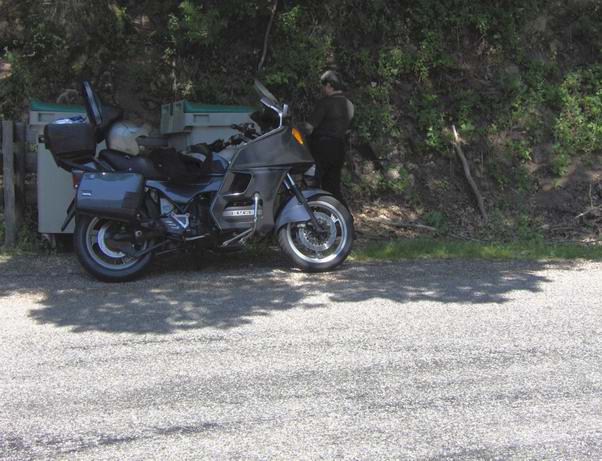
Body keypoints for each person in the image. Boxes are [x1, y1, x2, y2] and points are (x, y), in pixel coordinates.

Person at [305, 70, 354, 209]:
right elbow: (348, 129)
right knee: (333, 188)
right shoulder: (350, 105)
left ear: (329, 85)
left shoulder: (325, 103)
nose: (322, 89)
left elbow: (309, 127)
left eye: (323, 86)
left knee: (312, 183)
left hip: (322, 148)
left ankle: (311, 216)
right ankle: (344, 218)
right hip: (339, 148)